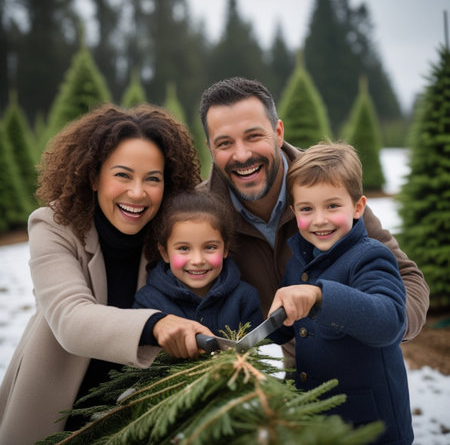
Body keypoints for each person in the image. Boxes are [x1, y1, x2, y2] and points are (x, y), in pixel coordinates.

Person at [0, 103, 214, 444]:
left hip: (131, 423)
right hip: (52, 416)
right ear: (94, 176)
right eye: (123, 175)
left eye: (153, 179)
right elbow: (70, 319)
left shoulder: (173, 239)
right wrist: (154, 325)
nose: (137, 192)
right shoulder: (54, 227)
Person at [198, 76, 429, 366]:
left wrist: (373, 324)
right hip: (296, 380)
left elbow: (407, 279)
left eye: (254, 136)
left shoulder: (328, 189)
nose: (242, 154)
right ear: (209, 146)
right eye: (225, 143)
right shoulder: (198, 217)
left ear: (278, 132)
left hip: (361, 372)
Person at [267, 142, 413, 443]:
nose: (320, 219)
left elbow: (389, 321)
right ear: (294, 212)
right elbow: (292, 327)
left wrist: (321, 297)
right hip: (317, 422)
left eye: (332, 206)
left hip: (369, 427)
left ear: (358, 207)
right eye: (307, 209)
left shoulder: (370, 256)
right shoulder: (299, 262)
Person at [133, 191, 264, 337]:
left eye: (210, 247)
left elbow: (257, 352)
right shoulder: (147, 302)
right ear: (164, 253)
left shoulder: (245, 298)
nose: (197, 260)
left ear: (225, 249)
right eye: (184, 248)